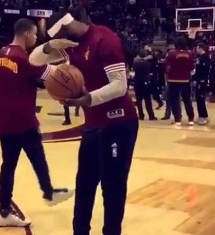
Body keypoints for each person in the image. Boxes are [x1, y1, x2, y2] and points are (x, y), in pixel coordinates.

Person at [29, 12, 139, 235]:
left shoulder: (104, 40)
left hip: (118, 122)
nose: (58, 41)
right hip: (93, 123)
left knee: (113, 187)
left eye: (57, 34)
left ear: (68, 26)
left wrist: (86, 99)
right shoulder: (69, 44)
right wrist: (51, 45)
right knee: (85, 184)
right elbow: (34, 59)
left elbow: (120, 86)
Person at [0, 18, 73, 227]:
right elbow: (54, 76)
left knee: (8, 165)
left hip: (5, 120)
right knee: (37, 157)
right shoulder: (24, 59)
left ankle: (4, 210)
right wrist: (66, 64)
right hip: (23, 120)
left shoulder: (1, 54)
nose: (36, 38)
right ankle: (48, 192)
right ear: (27, 34)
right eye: (35, 34)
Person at [163, 36, 195, 126]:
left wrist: (169, 72)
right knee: (187, 100)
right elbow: (192, 67)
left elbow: (165, 65)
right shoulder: (190, 54)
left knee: (174, 100)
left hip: (173, 80)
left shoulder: (171, 53)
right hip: (185, 80)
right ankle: (191, 119)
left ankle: (177, 120)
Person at [133, 50, 156, 120]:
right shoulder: (147, 63)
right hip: (145, 82)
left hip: (137, 82)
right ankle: (151, 115)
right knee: (148, 100)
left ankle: (141, 115)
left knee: (139, 101)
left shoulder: (135, 63)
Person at [194, 43, 211, 125]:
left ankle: (202, 117)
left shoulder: (205, 57)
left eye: (197, 48)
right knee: (198, 98)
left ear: (201, 48)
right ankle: (203, 115)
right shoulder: (199, 57)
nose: (196, 50)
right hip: (198, 80)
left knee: (200, 98)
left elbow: (205, 70)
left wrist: (202, 80)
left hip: (202, 81)